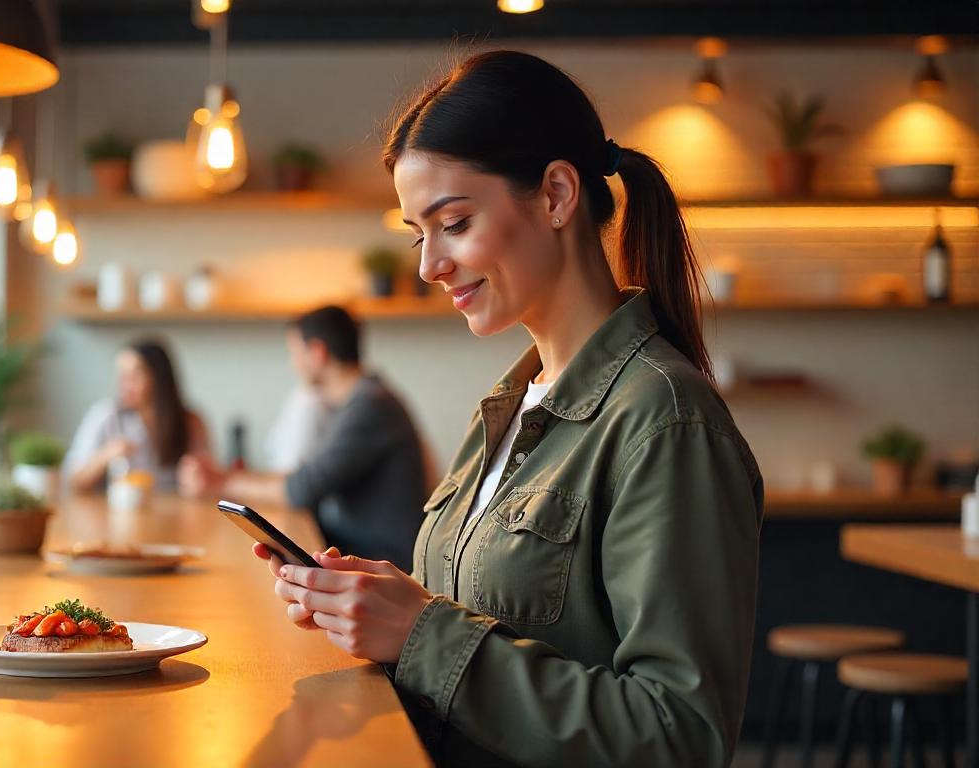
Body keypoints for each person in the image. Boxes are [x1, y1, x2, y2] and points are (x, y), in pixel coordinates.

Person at [255, 51, 763, 767]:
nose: (429, 265)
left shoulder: (664, 421)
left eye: (453, 222)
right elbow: (473, 631)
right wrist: (383, 605)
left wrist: (420, 634)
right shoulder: (507, 405)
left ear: (556, 194)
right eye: (417, 235)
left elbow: (679, 735)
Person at [179, 305, 428, 571]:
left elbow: (301, 489)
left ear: (318, 352)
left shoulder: (370, 405)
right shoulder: (359, 400)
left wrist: (219, 483)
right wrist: (224, 479)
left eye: (295, 353)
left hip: (380, 560)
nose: (292, 364)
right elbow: (303, 476)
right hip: (353, 546)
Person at [63, 339, 209, 494]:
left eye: (134, 375)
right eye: (122, 375)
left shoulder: (190, 421)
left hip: (174, 513)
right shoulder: (105, 415)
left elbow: (208, 479)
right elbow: (72, 481)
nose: (124, 384)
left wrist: (197, 478)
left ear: (159, 378)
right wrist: (105, 455)